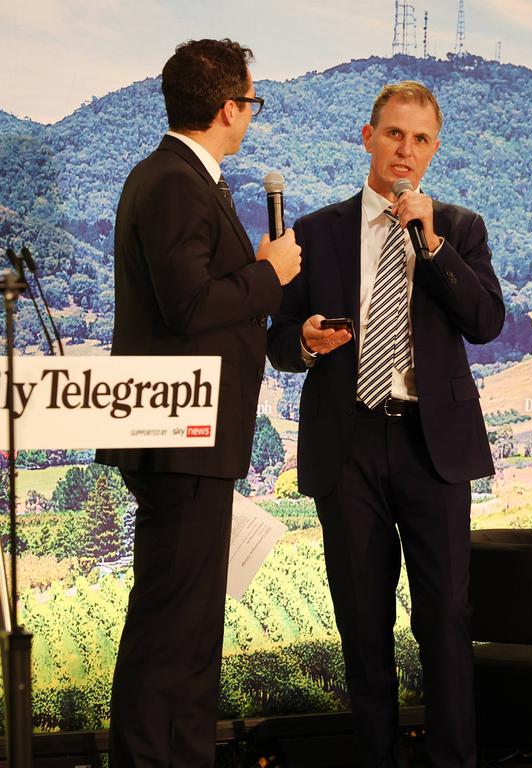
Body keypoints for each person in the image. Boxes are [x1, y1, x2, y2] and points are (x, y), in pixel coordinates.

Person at [267, 80, 504, 767]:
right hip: (349, 447)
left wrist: (430, 245)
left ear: (433, 151)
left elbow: (485, 322)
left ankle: (452, 759)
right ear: (367, 138)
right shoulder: (314, 232)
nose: (406, 150)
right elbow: (276, 339)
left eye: (420, 139)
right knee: (363, 625)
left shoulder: (458, 229)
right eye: (394, 134)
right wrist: (305, 341)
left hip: (434, 446)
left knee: (446, 621)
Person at [94, 38, 301, 767]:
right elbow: (189, 304)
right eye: (251, 101)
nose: (250, 116)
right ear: (226, 107)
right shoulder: (178, 181)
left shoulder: (179, 177)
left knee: (186, 636)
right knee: (169, 636)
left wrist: (276, 316)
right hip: (181, 437)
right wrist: (269, 274)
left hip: (192, 438)